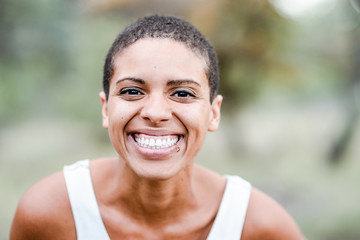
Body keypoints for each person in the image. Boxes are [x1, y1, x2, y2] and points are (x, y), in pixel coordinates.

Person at [10, 14, 305, 239]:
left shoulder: (260, 226)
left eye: (182, 94)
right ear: (105, 108)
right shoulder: (49, 214)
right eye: (132, 91)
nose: (155, 113)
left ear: (213, 114)